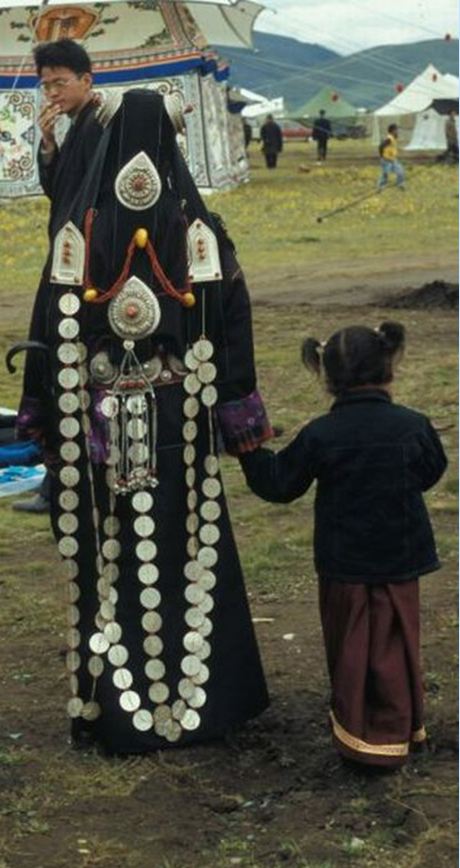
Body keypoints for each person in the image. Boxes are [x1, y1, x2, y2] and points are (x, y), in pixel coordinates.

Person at [16, 88, 271, 754]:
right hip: (177, 418)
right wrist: (238, 419)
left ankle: (111, 712)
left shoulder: (83, 224)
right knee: (189, 547)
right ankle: (206, 707)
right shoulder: (199, 228)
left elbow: (49, 323)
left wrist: (46, 416)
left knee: (112, 553)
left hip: (97, 423)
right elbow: (230, 324)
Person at [240, 322, 447, 769]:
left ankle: (357, 732)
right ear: (389, 365)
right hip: (401, 556)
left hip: (344, 563)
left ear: (326, 376)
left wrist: (250, 450)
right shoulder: (412, 426)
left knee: (351, 646)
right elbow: (433, 470)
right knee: (396, 642)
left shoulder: (320, 435)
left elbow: (279, 485)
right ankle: (400, 726)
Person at [11, 39, 106, 514]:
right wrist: (49, 145)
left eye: (60, 83)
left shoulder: (101, 127)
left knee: (63, 364)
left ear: (87, 80)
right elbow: (60, 194)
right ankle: (58, 478)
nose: (52, 93)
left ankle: (64, 481)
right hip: (66, 259)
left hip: (82, 268)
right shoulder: (77, 129)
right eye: (46, 85)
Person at [377, 123, 405, 190]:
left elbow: (392, 147)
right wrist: (382, 156)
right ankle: (381, 187)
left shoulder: (393, 138)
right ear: (392, 131)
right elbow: (381, 146)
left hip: (392, 159)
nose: (398, 131)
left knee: (400, 171)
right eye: (396, 130)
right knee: (385, 173)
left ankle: (400, 185)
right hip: (386, 160)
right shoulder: (389, 138)